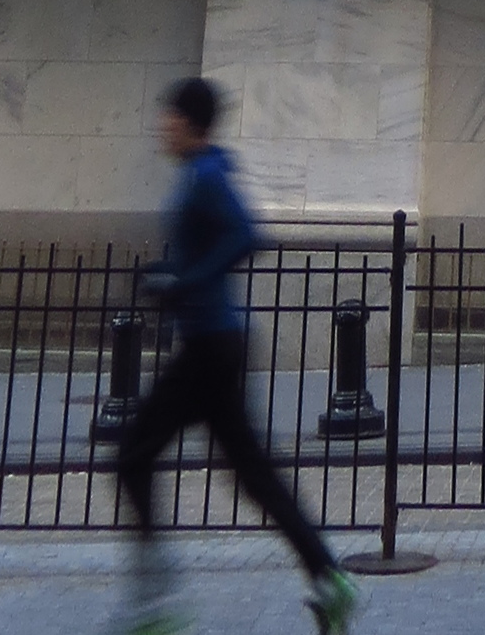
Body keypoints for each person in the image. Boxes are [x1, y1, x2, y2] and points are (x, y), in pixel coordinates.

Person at [111, 76, 359, 635]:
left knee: (133, 456)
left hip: (209, 348)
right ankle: (330, 579)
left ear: (188, 122)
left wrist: (185, 281)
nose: (160, 127)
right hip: (215, 344)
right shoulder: (202, 172)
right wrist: (171, 275)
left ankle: (155, 607)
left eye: (167, 117)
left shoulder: (203, 176)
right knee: (253, 475)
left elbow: (247, 235)